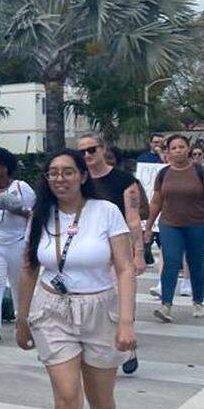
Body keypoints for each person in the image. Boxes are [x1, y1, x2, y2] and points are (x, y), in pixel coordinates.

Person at [15, 150, 136, 409]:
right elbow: (30, 267)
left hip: (100, 309)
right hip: (53, 311)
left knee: (101, 399)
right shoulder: (40, 215)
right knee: (67, 396)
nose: (60, 179)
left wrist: (127, 323)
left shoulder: (106, 212)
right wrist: (21, 319)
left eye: (68, 172)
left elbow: (125, 266)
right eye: (53, 173)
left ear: (83, 176)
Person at [75, 134, 145, 374]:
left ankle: (128, 347)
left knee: (122, 299)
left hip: (119, 250)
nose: (87, 155)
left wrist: (138, 253)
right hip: (89, 251)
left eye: (92, 150)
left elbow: (133, 220)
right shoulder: (80, 182)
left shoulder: (124, 181)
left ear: (103, 149)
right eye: (82, 152)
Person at [146, 134, 204, 322]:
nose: (178, 150)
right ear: (168, 152)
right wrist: (147, 226)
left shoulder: (201, 171)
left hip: (198, 224)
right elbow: (156, 201)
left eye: (182, 147)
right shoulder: (163, 174)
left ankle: (198, 301)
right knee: (171, 261)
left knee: (195, 264)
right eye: (174, 148)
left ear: (188, 149)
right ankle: (166, 305)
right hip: (170, 225)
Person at [0, 148, 35, 344]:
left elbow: (35, 214)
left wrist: (17, 209)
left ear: (4, 168)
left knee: (20, 284)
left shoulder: (21, 187)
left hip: (17, 243)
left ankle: (24, 321)